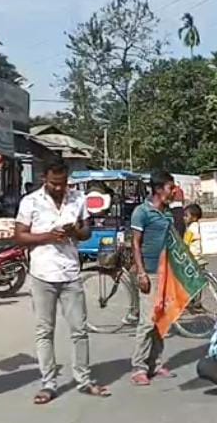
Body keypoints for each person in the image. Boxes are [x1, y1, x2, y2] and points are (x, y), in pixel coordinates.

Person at [15, 162, 111, 404]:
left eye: (62, 183)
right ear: (44, 179)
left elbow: (86, 231)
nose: (59, 188)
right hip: (42, 273)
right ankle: (48, 383)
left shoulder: (78, 198)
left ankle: (84, 379)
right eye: (53, 183)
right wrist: (48, 236)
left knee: (79, 330)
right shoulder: (30, 202)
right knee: (44, 331)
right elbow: (20, 236)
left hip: (70, 272)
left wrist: (75, 231)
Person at [128, 170, 177, 386]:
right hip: (149, 272)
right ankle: (138, 367)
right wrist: (141, 272)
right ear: (158, 189)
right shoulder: (142, 212)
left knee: (161, 321)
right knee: (147, 322)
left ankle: (155, 364)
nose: (173, 191)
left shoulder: (167, 214)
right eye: (170, 187)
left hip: (166, 273)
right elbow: (135, 243)